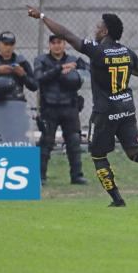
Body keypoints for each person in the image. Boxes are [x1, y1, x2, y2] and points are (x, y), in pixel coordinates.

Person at [27, 6, 138, 207]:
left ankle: (117, 200)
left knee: (98, 154)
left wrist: (42, 16)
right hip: (127, 108)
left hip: (104, 112)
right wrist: (122, 66)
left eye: (98, 26)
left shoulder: (97, 50)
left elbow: (65, 34)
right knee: (135, 150)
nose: (95, 29)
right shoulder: (127, 51)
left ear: (105, 32)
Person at [34, 34, 89, 185]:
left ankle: (77, 175)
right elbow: (37, 79)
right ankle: (40, 176)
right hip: (49, 107)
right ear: (49, 45)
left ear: (65, 44)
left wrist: (77, 69)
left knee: (74, 141)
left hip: (70, 107)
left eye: (60, 43)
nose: (57, 46)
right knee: (46, 142)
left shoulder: (74, 60)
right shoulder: (41, 60)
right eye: (53, 43)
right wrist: (59, 69)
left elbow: (90, 72)